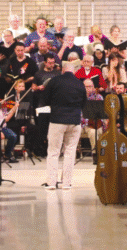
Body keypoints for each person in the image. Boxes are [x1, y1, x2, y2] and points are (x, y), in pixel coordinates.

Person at [42, 60, 87, 190]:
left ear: (62, 69)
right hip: (74, 121)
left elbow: (45, 99)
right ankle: (66, 183)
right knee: (70, 152)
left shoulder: (55, 81)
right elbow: (84, 102)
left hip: (57, 120)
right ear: (73, 71)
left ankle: (51, 183)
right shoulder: (79, 83)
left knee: (53, 152)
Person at [81, 78, 104, 160]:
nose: (88, 88)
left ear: (93, 87)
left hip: (97, 123)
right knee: (93, 132)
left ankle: (103, 153)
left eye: (90, 86)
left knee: (99, 131)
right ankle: (96, 154)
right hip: (83, 125)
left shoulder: (99, 97)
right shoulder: (79, 97)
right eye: (86, 87)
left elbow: (102, 113)